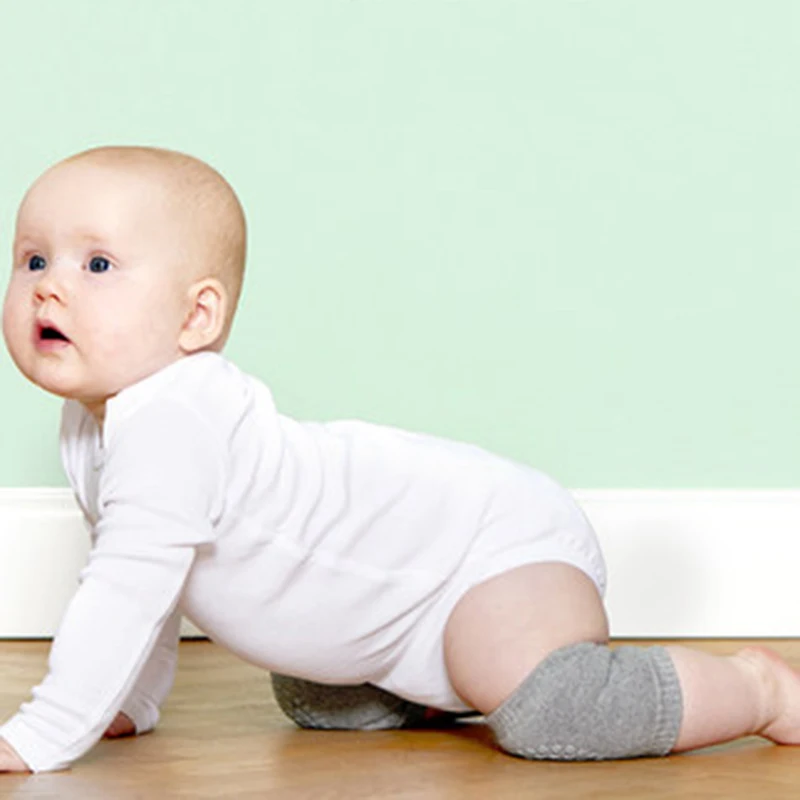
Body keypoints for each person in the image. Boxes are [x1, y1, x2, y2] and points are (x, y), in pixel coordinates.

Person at [1, 146, 799, 774]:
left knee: (547, 715)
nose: (48, 289)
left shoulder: (173, 420)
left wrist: (47, 730)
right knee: (318, 697)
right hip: (395, 607)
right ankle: (433, 689)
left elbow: (125, 588)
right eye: (33, 260)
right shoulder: (96, 424)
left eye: (96, 266)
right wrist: (129, 703)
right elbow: (151, 584)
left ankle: (756, 688)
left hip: (494, 555)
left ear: (197, 316)